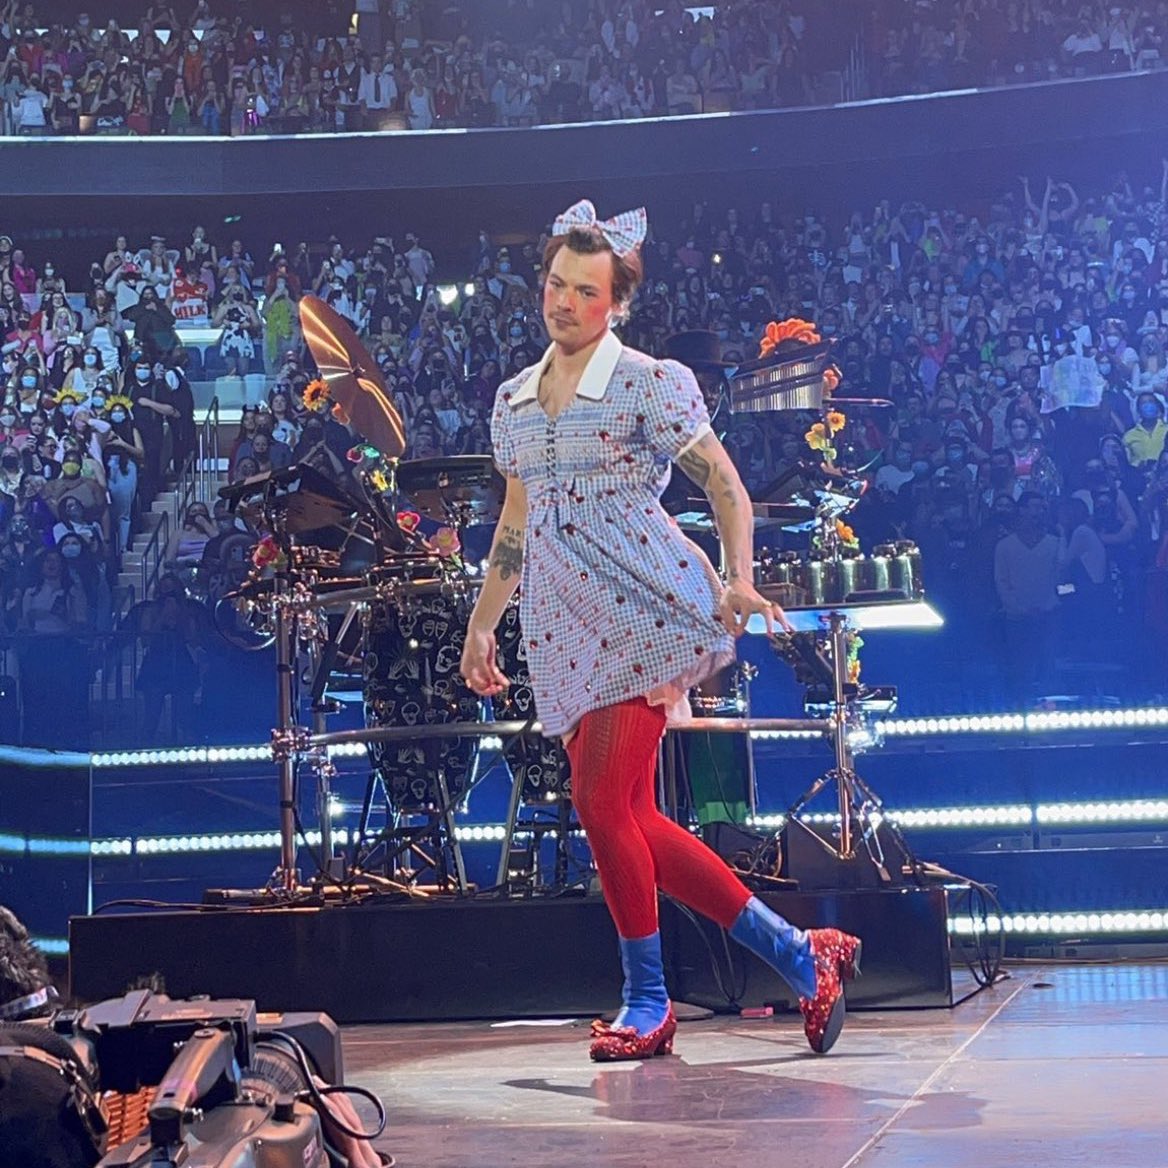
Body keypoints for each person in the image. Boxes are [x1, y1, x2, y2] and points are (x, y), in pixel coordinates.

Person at [460, 200, 860, 1063]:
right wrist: (482, 625)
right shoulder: (514, 401)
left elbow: (724, 485)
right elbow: (515, 525)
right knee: (631, 815)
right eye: (556, 285)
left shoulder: (648, 379)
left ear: (617, 304)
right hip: (561, 624)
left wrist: (741, 578)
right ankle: (800, 954)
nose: (564, 303)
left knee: (600, 802)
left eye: (585, 291)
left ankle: (649, 998)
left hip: (644, 605)